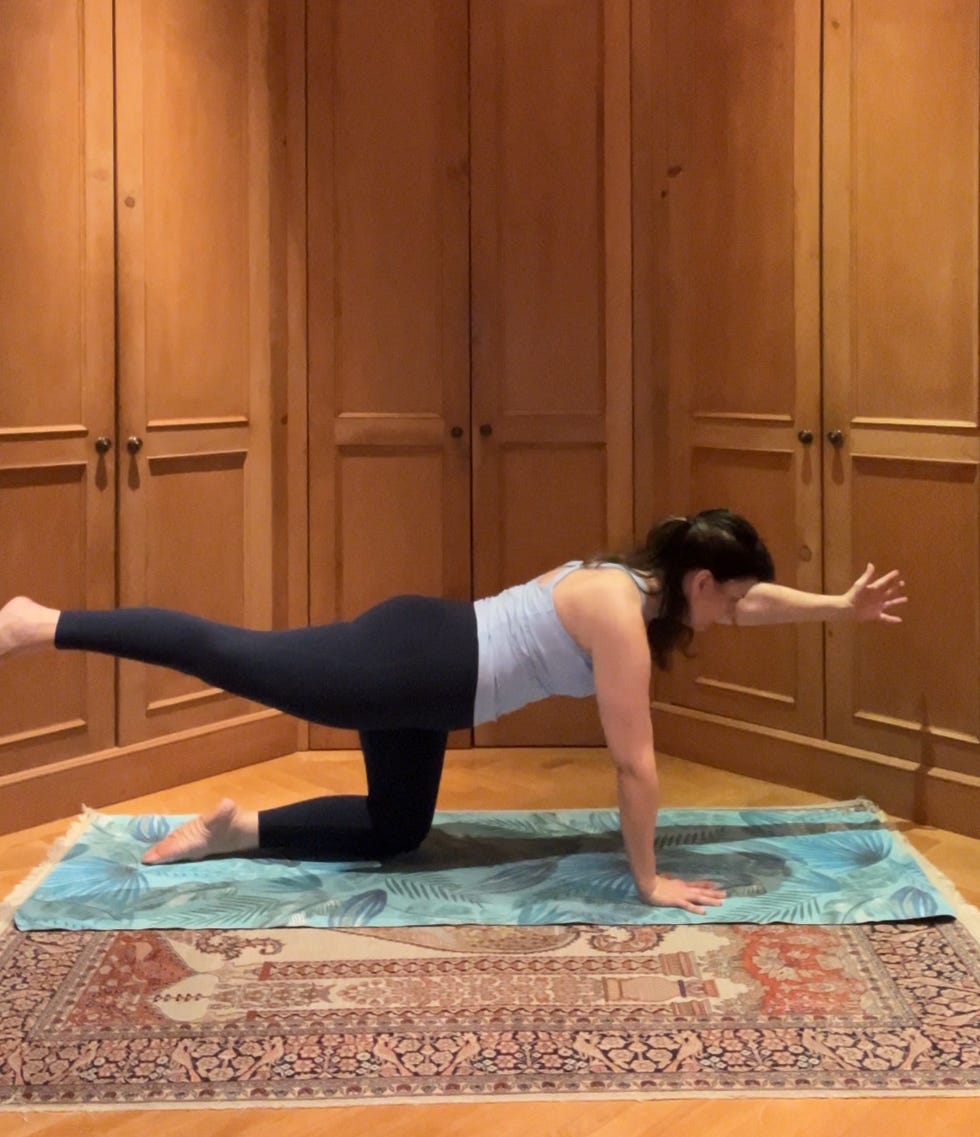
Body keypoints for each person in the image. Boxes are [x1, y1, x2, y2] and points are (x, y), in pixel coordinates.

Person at [0, 509, 907, 914]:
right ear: (698, 581)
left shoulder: (648, 583)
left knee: (397, 827)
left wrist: (838, 608)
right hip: (407, 667)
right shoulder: (622, 618)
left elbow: (753, 605)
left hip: (433, 667)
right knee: (231, 652)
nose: (733, 616)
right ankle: (39, 623)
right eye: (730, 599)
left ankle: (238, 829)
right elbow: (635, 765)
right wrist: (646, 881)